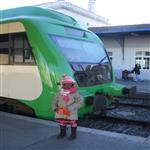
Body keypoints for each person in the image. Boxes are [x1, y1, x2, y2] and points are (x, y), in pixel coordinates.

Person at [52, 74, 83, 140]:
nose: (67, 85)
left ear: (72, 84)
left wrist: (70, 108)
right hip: (61, 111)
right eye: (65, 84)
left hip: (71, 112)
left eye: (69, 84)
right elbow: (55, 100)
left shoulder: (76, 93)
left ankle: (73, 135)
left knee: (72, 123)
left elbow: (79, 102)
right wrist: (54, 107)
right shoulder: (59, 92)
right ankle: (63, 133)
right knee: (62, 122)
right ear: (63, 85)